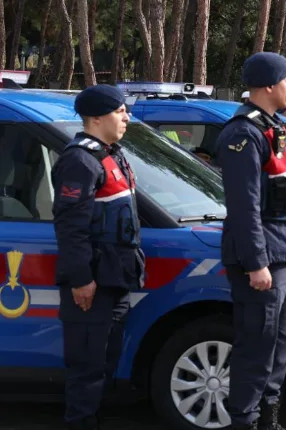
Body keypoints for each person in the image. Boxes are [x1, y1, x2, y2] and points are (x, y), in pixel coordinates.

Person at [216, 52, 286, 430]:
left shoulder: (275, 128)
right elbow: (244, 206)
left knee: (279, 347)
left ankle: (270, 420)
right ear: (269, 85)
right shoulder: (243, 134)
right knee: (256, 349)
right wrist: (256, 262)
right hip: (264, 260)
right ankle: (246, 421)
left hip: (285, 255)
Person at [53, 85, 144, 430]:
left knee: (104, 363)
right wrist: (81, 279)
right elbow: (71, 227)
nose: (127, 117)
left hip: (114, 278)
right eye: (120, 111)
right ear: (95, 118)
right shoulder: (80, 161)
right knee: (87, 368)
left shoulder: (111, 155)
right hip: (93, 282)